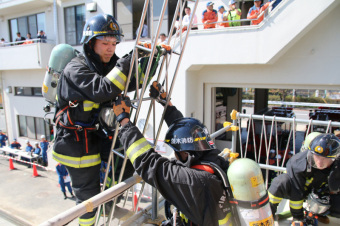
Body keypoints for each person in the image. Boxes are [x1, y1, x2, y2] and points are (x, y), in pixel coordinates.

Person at [52, 14, 147, 225]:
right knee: (87, 199)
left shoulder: (103, 66)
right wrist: (129, 60)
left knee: (128, 160)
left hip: (95, 136)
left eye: (114, 43)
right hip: (75, 146)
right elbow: (103, 89)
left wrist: (150, 61)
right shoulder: (75, 69)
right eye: (104, 43)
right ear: (90, 43)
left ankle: (108, 201)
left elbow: (126, 82)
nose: (110, 48)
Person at [112, 81, 234, 225]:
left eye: (176, 151)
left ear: (185, 154)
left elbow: (149, 163)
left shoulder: (193, 182)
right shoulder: (213, 158)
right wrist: (166, 104)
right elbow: (188, 135)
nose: (175, 154)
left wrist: (124, 121)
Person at [268, 133, 340, 225]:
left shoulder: (337, 164)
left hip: (321, 192)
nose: (320, 162)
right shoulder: (298, 163)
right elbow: (296, 192)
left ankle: (320, 213)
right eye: (317, 156)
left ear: (335, 157)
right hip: (297, 189)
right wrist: (298, 218)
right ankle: (268, 214)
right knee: (280, 182)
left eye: (324, 158)